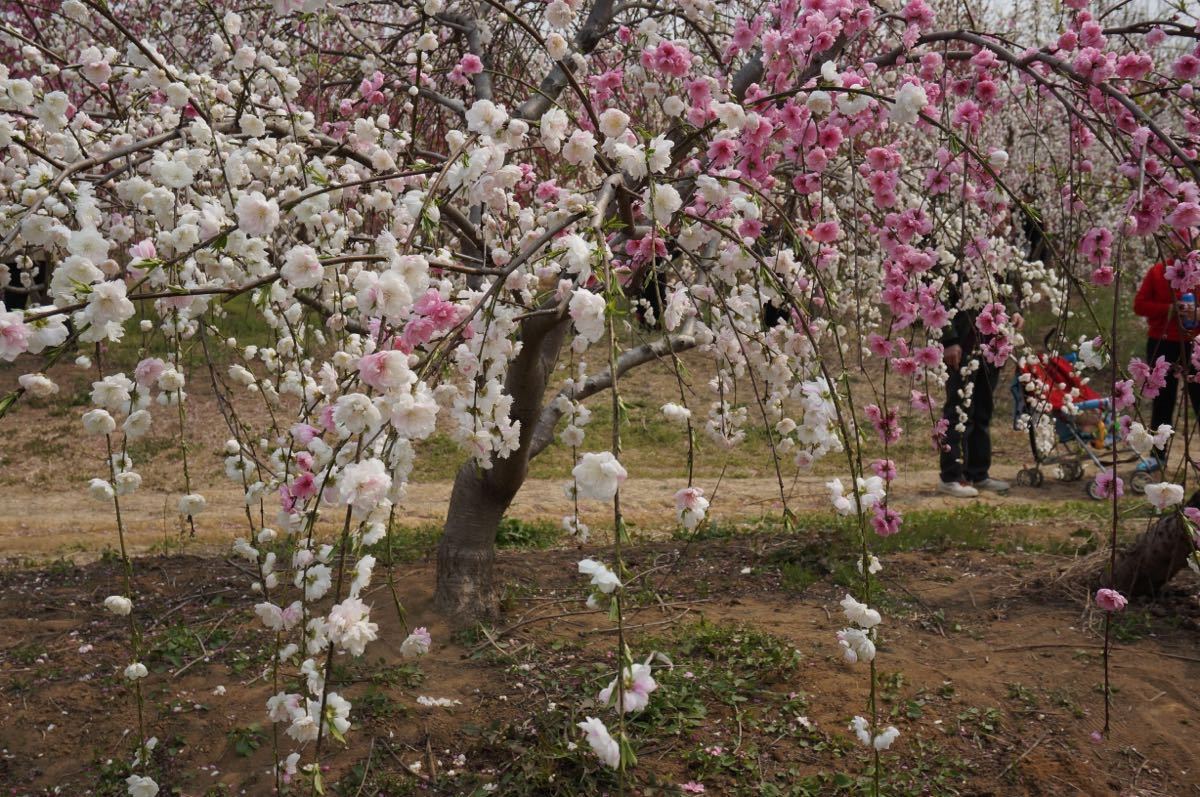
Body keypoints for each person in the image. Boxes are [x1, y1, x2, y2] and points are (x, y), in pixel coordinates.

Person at [937, 297, 1023, 497]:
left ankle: (977, 473)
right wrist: (949, 339)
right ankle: (951, 476)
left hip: (992, 344)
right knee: (958, 410)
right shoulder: (953, 265)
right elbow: (938, 298)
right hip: (963, 342)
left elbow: (1003, 284)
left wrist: (1013, 310)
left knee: (983, 410)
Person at [1132, 243, 1200, 469]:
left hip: (1195, 343)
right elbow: (1139, 305)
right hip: (1162, 342)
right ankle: (1158, 456)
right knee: (1163, 399)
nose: (1184, 246)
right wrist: (1169, 308)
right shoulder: (1158, 271)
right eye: (1177, 240)